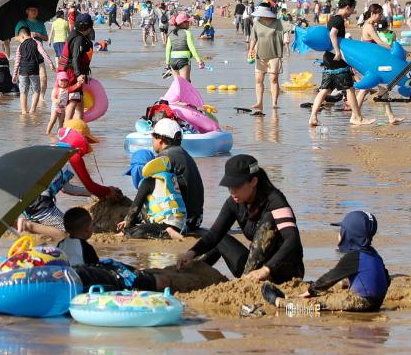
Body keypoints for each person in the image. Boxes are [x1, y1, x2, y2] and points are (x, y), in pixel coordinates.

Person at [177, 155, 304, 283]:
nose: (232, 191)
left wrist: (266, 269)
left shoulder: (275, 201)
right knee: (221, 239)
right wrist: (191, 253)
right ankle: (190, 272)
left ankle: (245, 281)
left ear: (253, 181)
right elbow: (213, 235)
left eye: (236, 185)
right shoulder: (234, 202)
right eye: (229, 186)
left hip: (284, 273)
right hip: (253, 270)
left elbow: (292, 240)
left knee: (269, 219)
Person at [263, 211, 390, 312]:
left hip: (362, 302)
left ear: (350, 236)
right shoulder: (374, 254)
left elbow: (330, 277)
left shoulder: (353, 257)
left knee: (318, 305)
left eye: (341, 231)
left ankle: (280, 302)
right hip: (377, 302)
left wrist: (310, 291)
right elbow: (386, 278)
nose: (339, 234)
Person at [18, 121, 121, 240]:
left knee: (45, 234)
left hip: (27, 199)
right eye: (87, 140)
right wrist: (108, 191)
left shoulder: (57, 151)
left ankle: (25, 225)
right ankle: (27, 225)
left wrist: (93, 193)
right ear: (80, 138)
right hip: (41, 202)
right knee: (69, 234)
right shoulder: (74, 157)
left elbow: (67, 189)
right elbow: (90, 185)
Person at [309, 0, 375, 127]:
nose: (352, 12)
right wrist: (338, 52)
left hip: (328, 58)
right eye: (352, 9)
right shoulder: (338, 20)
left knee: (324, 90)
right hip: (337, 58)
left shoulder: (333, 18)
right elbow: (332, 34)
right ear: (347, 7)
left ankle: (313, 117)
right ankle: (357, 118)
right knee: (349, 89)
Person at [147, 118, 203, 229]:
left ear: (161, 140)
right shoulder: (184, 154)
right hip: (196, 219)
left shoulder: (165, 157)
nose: (152, 141)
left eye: (152, 138)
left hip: (183, 221)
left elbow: (149, 187)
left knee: (149, 186)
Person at [356, 4, 404, 125]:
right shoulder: (369, 26)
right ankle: (355, 116)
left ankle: (391, 117)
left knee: (383, 89)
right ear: (373, 14)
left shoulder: (370, 25)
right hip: (371, 63)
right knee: (364, 89)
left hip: (372, 60)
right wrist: (392, 52)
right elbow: (379, 42)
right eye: (380, 14)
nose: (381, 16)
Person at [248, 5, 285, 113]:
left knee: (273, 79)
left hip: (274, 55)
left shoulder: (278, 23)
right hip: (260, 55)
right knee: (258, 80)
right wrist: (250, 50)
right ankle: (259, 102)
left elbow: (292, 28)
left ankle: (274, 103)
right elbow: (253, 38)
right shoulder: (257, 24)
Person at [12, 26, 54, 115]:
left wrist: (14, 74)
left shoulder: (20, 46)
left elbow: (17, 61)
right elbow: (43, 53)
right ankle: (32, 110)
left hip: (23, 72)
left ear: (22, 36)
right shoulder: (36, 42)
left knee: (23, 92)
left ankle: (24, 111)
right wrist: (50, 63)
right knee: (36, 91)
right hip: (33, 71)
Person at [14, 4, 50, 96]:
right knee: (26, 79)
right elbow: (16, 38)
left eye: (35, 9)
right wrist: (28, 36)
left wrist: (38, 34)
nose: (34, 11)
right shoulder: (21, 23)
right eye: (31, 9)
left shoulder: (41, 23)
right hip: (26, 53)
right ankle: (28, 97)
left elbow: (46, 38)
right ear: (27, 11)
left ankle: (41, 98)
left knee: (43, 77)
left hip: (38, 53)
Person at [164, 12, 203, 82]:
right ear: (183, 23)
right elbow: (191, 47)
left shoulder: (171, 34)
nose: (189, 24)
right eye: (188, 22)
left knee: (177, 84)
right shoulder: (187, 33)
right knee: (185, 83)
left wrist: (167, 64)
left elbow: (168, 49)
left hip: (173, 61)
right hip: (183, 60)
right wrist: (199, 60)